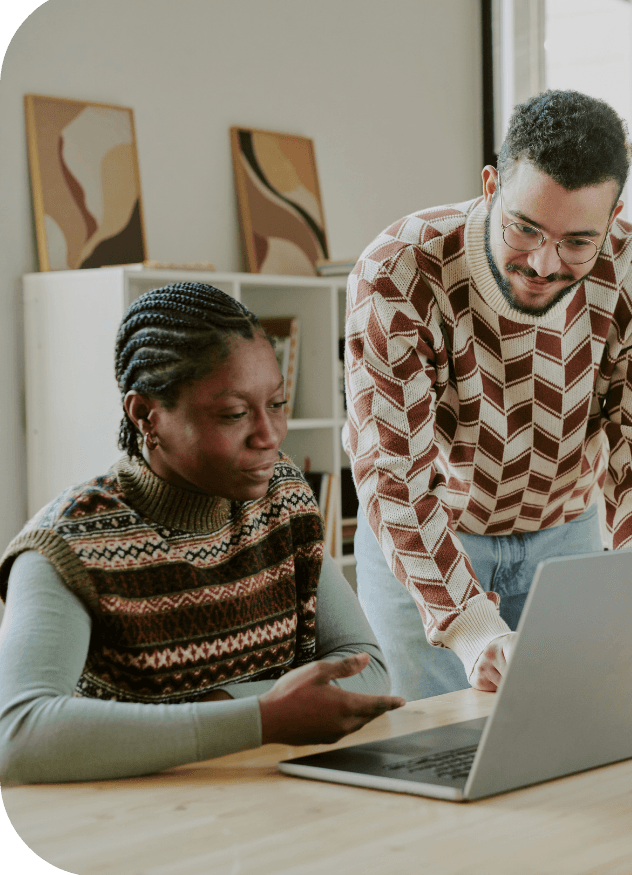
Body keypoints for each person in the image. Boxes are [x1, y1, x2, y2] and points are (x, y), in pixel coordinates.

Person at [344, 89, 632, 700]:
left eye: (577, 242)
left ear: (613, 217)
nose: (541, 262)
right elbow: (393, 471)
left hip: (567, 535)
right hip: (429, 531)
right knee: (427, 754)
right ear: (489, 186)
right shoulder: (400, 270)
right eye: (523, 228)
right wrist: (471, 625)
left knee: (570, 738)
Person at [0, 282, 405, 785]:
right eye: (234, 414)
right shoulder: (67, 545)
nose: (269, 435)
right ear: (145, 415)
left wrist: (223, 708)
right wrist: (262, 718)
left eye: (276, 404)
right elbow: (18, 737)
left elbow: (364, 667)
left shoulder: (282, 496)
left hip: (272, 806)